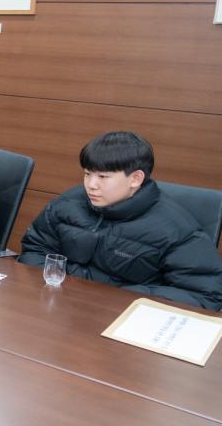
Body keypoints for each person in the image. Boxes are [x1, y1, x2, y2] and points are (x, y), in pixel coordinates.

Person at [19, 131, 222, 310]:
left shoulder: (175, 228)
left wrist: (123, 298)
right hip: (61, 309)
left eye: (103, 177)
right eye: (87, 174)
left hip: (123, 318)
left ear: (135, 179)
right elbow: (35, 249)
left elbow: (206, 295)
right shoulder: (69, 202)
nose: (91, 185)